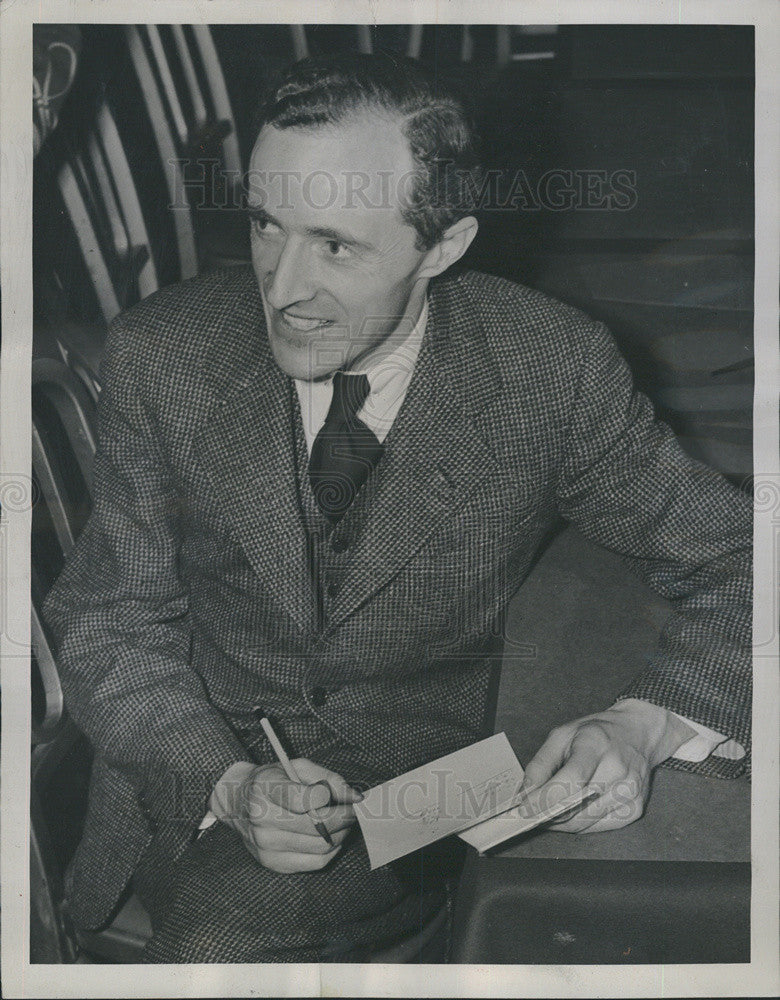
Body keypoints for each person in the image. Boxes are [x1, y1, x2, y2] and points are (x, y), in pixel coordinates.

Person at [43, 52, 751, 964]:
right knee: (225, 933)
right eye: (266, 224)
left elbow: (746, 559)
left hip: (432, 782)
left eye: (335, 245)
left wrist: (648, 721)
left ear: (444, 247)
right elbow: (108, 622)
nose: (283, 286)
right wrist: (226, 782)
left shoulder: (546, 367)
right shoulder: (165, 355)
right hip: (195, 767)